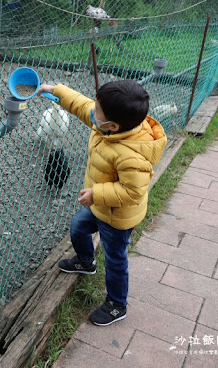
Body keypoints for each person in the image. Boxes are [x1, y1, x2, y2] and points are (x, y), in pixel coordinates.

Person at [38, 80, 167, 326]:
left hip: (118, 217)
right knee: (78, 226)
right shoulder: (105, 126)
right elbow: (82, 105)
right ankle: (86, 262)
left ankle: (117, 304)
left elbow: (132, 191)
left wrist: (97, 194)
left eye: (97, 111)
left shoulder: (131, 155)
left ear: (112, 125)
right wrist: (58, 91)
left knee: (115, 259)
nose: (92, 113)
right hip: (99, 206)